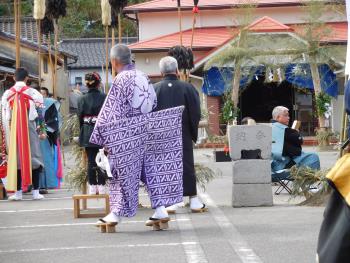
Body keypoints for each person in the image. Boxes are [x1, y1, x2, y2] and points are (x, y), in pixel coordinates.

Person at [90, 45, 184, 229]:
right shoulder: (143, 76)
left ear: (114, 61)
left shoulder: (121, 79)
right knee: (147, 171)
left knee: (119, 173)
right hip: (145, 132)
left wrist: (108, 140)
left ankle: (116, 214)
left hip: (126, 135)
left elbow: (112, 113)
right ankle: (160, 209)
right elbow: (153, 102)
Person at [153, 56, 207, 213]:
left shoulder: (154, 89)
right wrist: (192, 131)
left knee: (164, 166)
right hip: (182, 132)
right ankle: (194, 200)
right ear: (176, 70)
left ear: (161, 72)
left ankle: (168, 203)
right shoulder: (188, 88)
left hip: (161, 134)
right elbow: (195, 112)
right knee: (186, 164)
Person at [2, 68, 46, 200]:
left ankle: (18, 193)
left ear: (14, 78)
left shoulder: (7, 93)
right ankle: (36, 192)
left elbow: (3, 115)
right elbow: (40, 114)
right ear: (27, 78)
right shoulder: (34, 93)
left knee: (15, 158)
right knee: (35, 157)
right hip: (30, 127)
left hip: (12, 128)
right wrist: (42, 130)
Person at [77, 72, 107, 194]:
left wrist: (82, 130)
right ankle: (101, 185)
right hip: (101, 130)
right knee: (102, 159)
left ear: (87, 84)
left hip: (87, 130)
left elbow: (79, 116)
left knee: (90, 160)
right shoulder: (105, 97)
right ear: (99, 83)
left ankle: (92, 186)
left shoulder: (81, 98)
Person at [271, 106, 320, 172]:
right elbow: (299, 141)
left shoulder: (269, 127)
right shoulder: (285, 130)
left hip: (271, 164)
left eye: (288, 116)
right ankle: (308, 179)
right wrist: (296, 132)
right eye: (286, 116)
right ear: (278, 117)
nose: (288, 118)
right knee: (313, 156)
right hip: (284, 164)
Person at [38, 87, 63, 194]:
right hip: (36, 135)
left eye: (43, 94)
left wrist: (44, 128)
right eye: (40, 94)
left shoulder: (51, 104)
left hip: (47, 135)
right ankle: (39, 184)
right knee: (37, 160)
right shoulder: (34, 105)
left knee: (47, 159)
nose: (42, 96)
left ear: (47, 95)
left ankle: (49, 182)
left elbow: (54, 120)